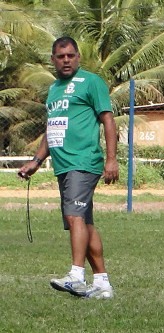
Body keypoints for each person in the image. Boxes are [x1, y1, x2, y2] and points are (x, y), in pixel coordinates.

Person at [18, 36, 118, 299]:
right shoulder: (53, 90)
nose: (66, 60)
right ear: (53, 60)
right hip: (63, 165)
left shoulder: (91, 82)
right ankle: (102, 283)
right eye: (61, 57)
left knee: (75, 218)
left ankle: (76, 275)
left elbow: (108, 121)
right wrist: (36, 161)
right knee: (83, 222)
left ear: (78, 57)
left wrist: (111, 159)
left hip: (83, 161)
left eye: (70, 55)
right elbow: (52, 129)